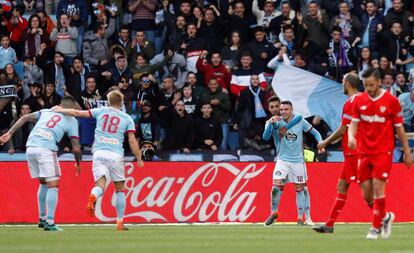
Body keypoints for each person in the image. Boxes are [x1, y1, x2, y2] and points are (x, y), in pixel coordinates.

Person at [53, 90, 144, 231]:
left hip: (99, 153)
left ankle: (93, 195)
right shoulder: (127, 118)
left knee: (100, 185)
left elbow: (78, 113)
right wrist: (138, 158)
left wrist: (61, 109)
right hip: (115, 155)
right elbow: (132, 139)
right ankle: (119, 222)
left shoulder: (100, 111)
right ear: (121, 103)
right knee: (120, 189)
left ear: (108, 102)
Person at [348, 68, 412, 239]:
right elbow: (353, 123)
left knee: (378, 188)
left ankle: (375, 228)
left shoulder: (391, 101)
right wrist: (351, 137)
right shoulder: (359, 100)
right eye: (365, 85)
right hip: (364, 152)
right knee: (367, 195)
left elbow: (399, 128)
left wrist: (406, 151)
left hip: (383, 151)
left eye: (371, 85)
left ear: (379, 82)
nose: (368, 88)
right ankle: (385, 217)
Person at [0, 96, 81, 231]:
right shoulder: (71, 120)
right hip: (46, 149)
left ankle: (42, 219)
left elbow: (24, 117)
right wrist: (78, 162)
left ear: (60, 104)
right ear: (72, 108)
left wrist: (9, 133)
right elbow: (76, 147)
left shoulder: (46, 111)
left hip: (30, 148)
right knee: (53, 186)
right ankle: (50, 222)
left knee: (43, 183)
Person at [312, 73, 361, 233]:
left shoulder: (351, 103)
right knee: (342, 186)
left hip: (355, 152)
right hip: (353, 151)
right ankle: (329, 224)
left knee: (366, 191)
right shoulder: (361, 100)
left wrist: (325, 142)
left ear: (348, 84)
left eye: (342, 81)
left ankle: (383, 217)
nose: (341, 84)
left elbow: (343, 129)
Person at [262, 100, 324, 226]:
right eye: (282, 109)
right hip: (282, 160)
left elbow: (315, 132)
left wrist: (320, 143)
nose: (283, 112)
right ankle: (274, 213)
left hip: (298, 161)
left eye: (286, 109)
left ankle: (301, 218)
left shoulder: (300, 120)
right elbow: (265, 137)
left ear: (291, 110)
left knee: (300, 188)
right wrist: (271, 124)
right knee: (275, 186)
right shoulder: (275, 122)